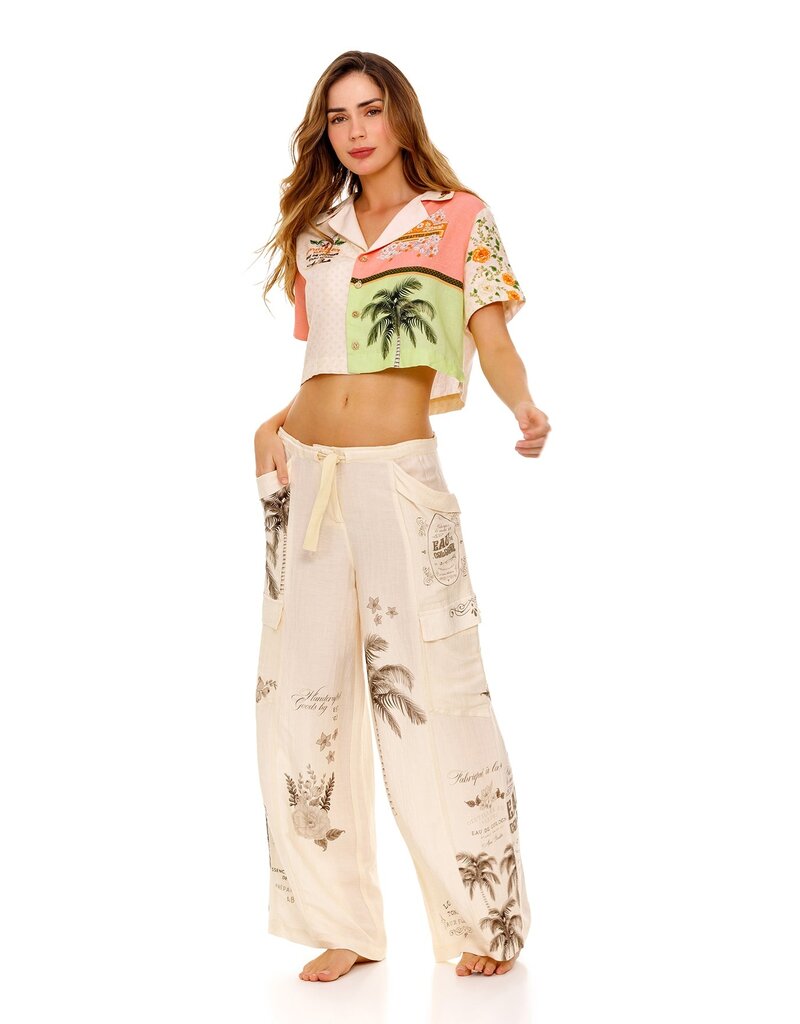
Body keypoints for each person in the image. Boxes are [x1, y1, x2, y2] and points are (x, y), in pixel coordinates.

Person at [252, 50, 551, 984]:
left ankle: (483, 919)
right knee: (304, 701)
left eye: (370, 110)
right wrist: (271, 424)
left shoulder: (459, 217)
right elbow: (328, 363)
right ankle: (342, 922)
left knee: (436, 695)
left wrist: (523, 406)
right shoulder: (319, 230)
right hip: (307, 476)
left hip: (398, 481)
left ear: (400, 115)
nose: (355, 130)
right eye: (338, 116)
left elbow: (491, 336)